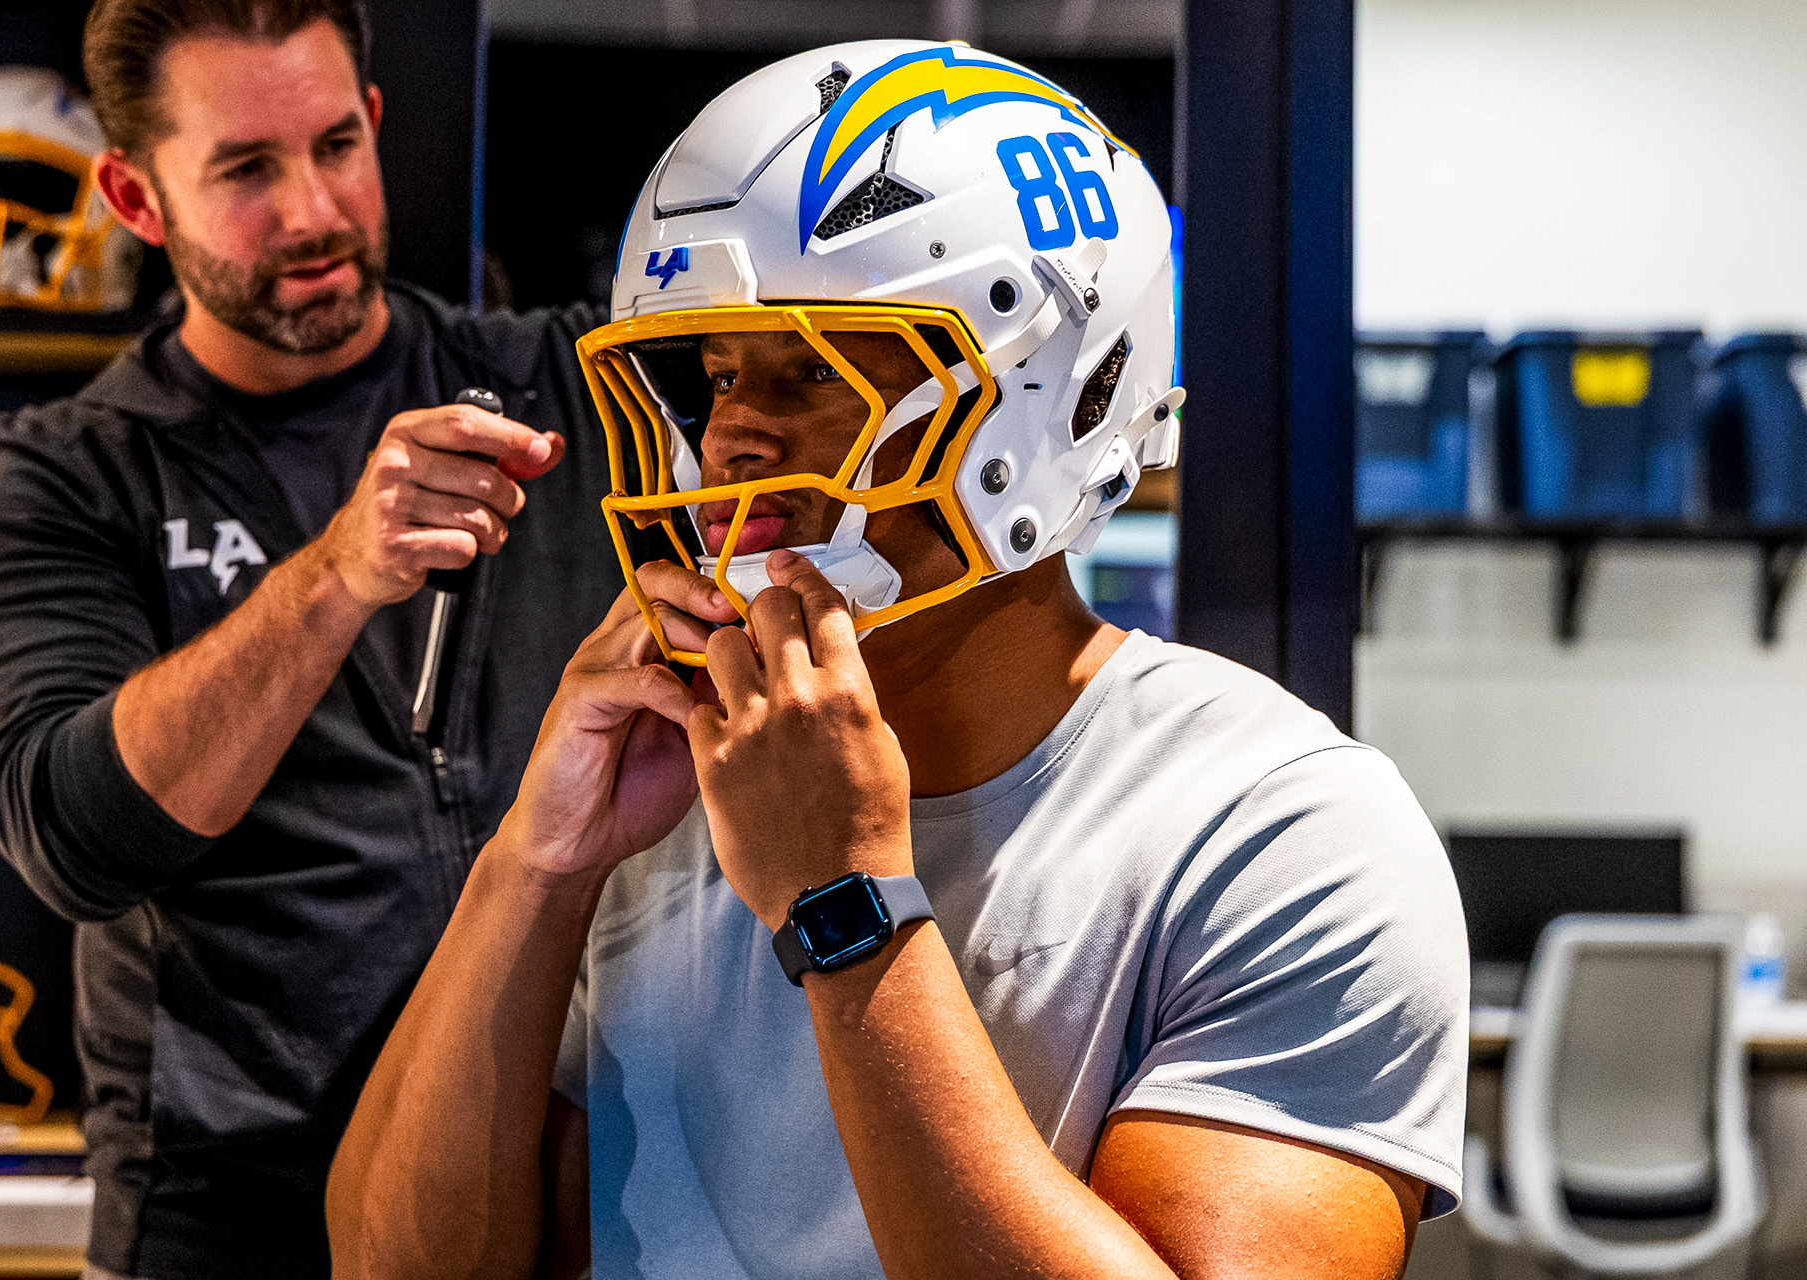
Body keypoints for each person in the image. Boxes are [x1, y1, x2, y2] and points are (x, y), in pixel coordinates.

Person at [327, 39, 1469, 1280]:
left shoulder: (1280, 825)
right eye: (715, 376)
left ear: (1045, 397)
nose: (727, 438)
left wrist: (844, 901)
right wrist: (536, 863)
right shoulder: (667, 791)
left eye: (810, 370)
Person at [0, 2, 635, 1276]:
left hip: (552, 1206)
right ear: (135, 196)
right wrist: (333, 575)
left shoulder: (560, 384)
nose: (315, 211)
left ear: (374, 122)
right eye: (246, 170)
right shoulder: (70, 472)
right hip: (226, 1225)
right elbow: (73, 837)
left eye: (334, 146)